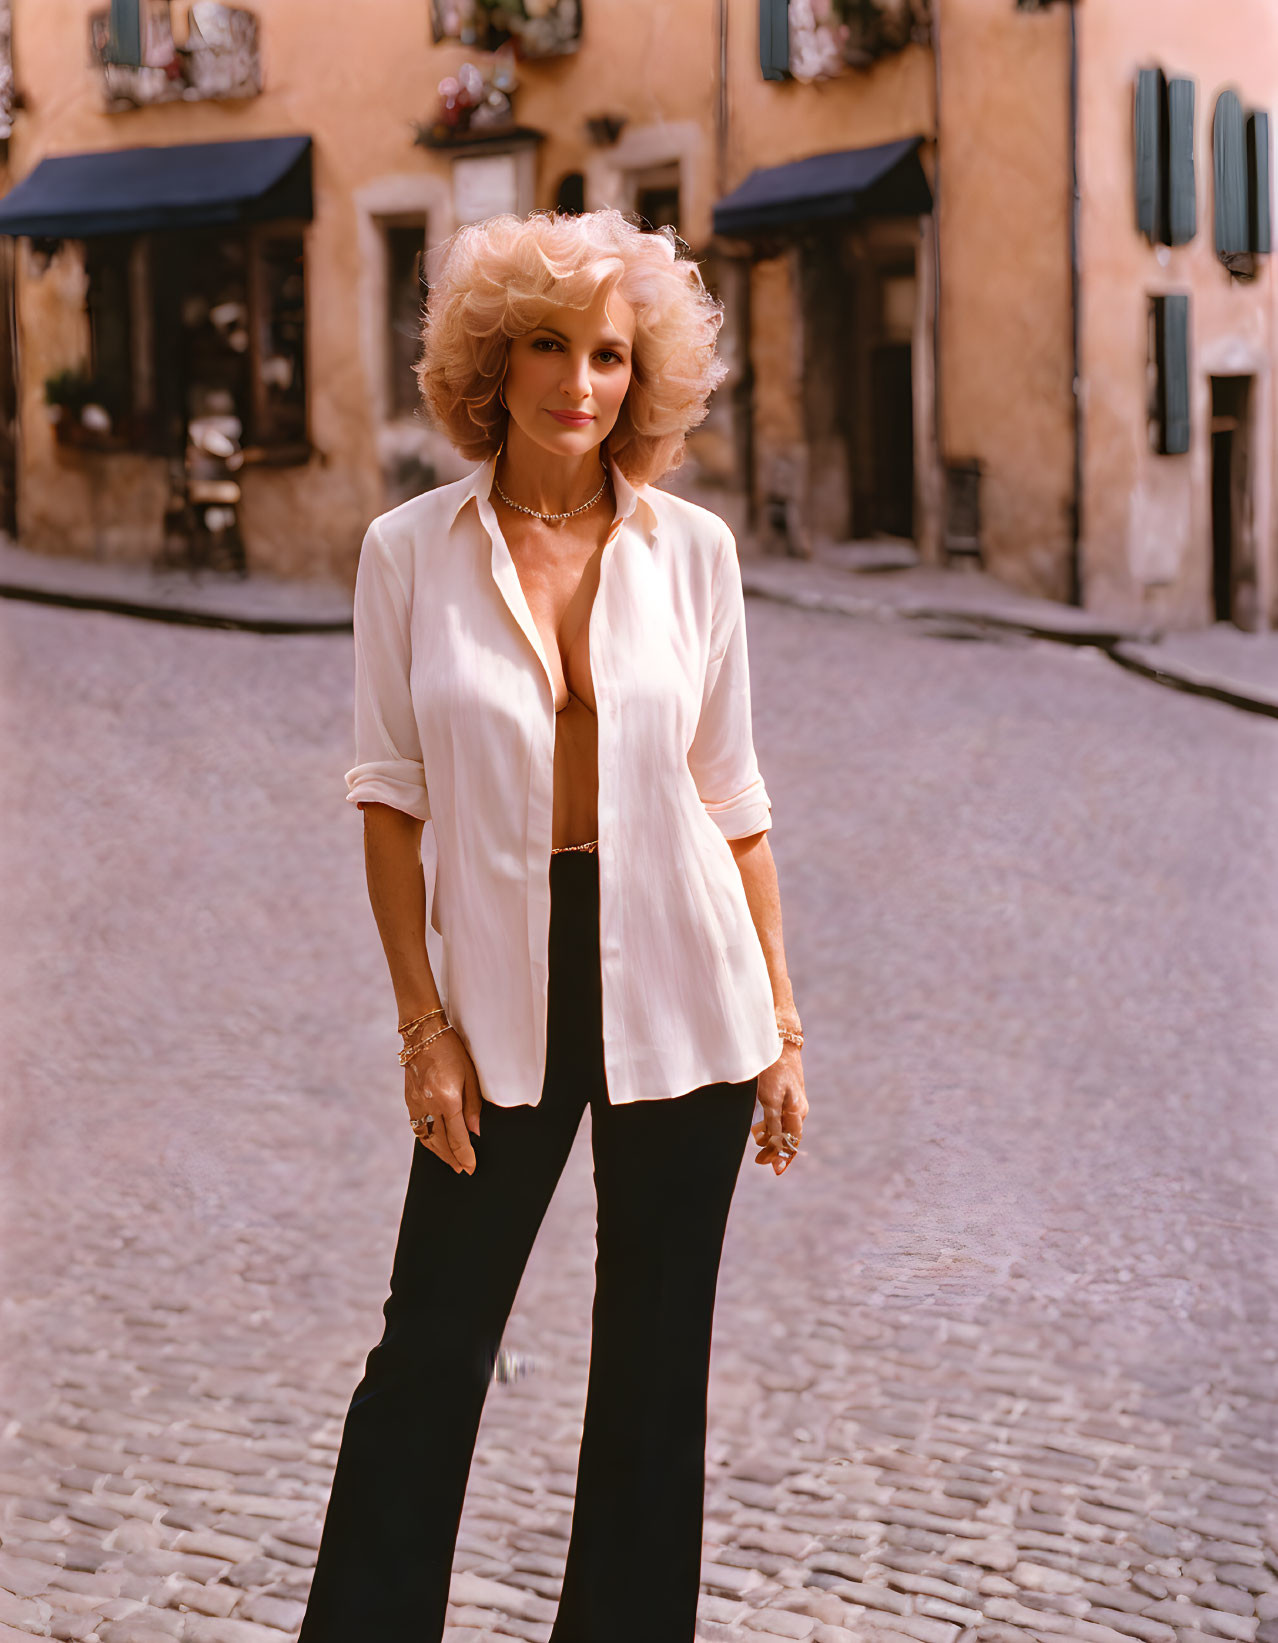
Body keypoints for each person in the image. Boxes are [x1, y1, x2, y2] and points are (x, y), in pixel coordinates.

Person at [296, 206, 808, 1643]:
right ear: (487, 357)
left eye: (605, 354)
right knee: (430, 1350)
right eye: (543, 343)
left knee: (653, 1369)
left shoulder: (692, 553)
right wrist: (422, 1027)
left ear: (641, 377)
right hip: (503, 992)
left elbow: (736, 800)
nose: (574, 383)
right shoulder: (407, 552)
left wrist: (779, 1024)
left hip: (685, 984)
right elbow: (388, 800)